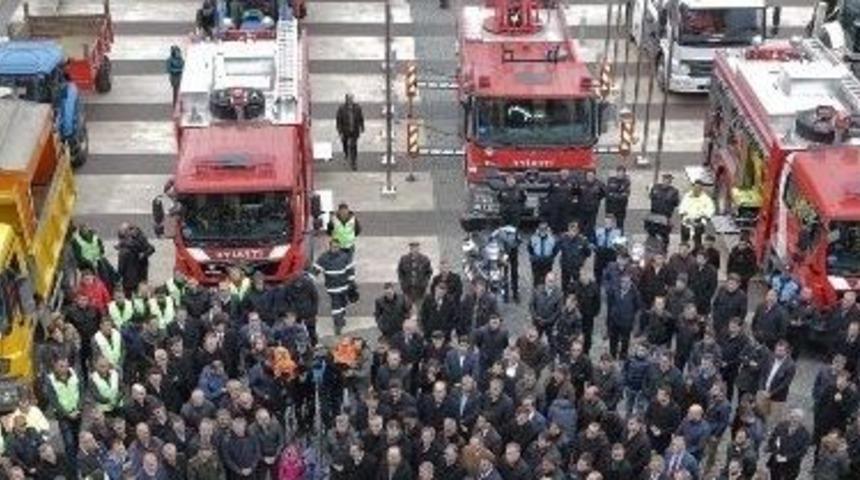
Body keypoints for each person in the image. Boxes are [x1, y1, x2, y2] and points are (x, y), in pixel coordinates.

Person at [314, 240, 355, 336]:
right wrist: (309, 279)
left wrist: (352, 282)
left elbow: (350, 270)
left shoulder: (345, 257)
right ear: (330, 247)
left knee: (343, 304)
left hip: (344, 286)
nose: (335, 249)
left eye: (337, 247)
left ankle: (341, 318)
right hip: (333, 288)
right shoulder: (324, 258)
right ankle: (338, 324)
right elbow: (316, 269)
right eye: (333, 247)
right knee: (336, 306)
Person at [766, 409, 811, 480]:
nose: (794, 419)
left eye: (797, 417)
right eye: (792, 417)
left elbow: (802, 452)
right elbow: (772, 440)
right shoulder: (780, 426)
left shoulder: (805, 434)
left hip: (791, 466)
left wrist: (786, 458)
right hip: (776, 462)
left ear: (801, 420)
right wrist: (776, 453)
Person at [678, 181, 715, 249]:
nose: (697, 189)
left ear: (701, 189)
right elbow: (682, 208)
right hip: (687, 222)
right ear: (692, 187)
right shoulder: (687, 196)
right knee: (684, 242)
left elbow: (710, 210)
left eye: (699, 187)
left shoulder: (706, 199)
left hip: (698, 223)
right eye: (695, 187)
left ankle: (696, 253)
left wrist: (702, 220)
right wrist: (685, 218)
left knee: (697, 243)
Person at [397, 241, 433, 308]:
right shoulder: (404, 259)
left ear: (419, 248)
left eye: (416, 247)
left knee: (420, 309)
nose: (414, 249)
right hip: (408, 289)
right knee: (407, 309)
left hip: (420, 290)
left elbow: (429, 272)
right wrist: (403, 283)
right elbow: (400, 272)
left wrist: (425, 282)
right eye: (412, 248)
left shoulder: (425, 259)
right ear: (410, 249)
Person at [336, 94, 365, 170]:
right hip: (345, 130)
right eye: (349, 99)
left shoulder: (357, 108)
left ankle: (354, 161)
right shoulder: (341, 108)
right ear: (346, 100)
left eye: (352, 99)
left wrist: (362, 127)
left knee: (354, 146)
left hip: (354, 130)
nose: (351, 100)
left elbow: (360, 118)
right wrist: (340, 131)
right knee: (345, 143)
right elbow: (338, 120)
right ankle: (346, 153)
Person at [527, 222, 558, 288]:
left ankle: (546, 295)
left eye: (544, 229)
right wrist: (534, 257)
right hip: (536, 261)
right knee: (536, 279)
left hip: (547, 262)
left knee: (547, 279)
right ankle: (536, 295)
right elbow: (530, 248)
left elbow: (555, 249)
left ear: (547, 230)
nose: (542, 231)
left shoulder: (552, 238)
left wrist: (551, 257)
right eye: (541, 229)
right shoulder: (533, 237)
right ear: (538, 229)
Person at [605, 165, 631, 231]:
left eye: (622, 172)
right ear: (616, 172)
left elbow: (625, 196)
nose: (620, 174)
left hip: (621, 208)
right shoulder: (611, 180)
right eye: (619, 172)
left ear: (624, 173)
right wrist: (618, 195)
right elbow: (607, 193)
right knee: (608, 226)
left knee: (620, 227)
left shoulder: (626, 182)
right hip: (610, 207)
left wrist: (614, 195)